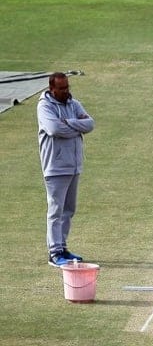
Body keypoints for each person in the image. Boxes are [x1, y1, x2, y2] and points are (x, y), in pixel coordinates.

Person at [37, 72, 95, 267]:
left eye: (67, 87)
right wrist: (76, 127)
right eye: (61, 89)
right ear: (52, 89)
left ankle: (62, 247)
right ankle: (54, 253)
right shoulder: (44, 106)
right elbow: (54, 129)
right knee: (55, 210)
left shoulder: (73, 104)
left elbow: (90, 124)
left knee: (68, 209)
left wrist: (69, 123)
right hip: (55, 167)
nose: (65, 91)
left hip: (74, 165)